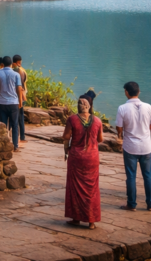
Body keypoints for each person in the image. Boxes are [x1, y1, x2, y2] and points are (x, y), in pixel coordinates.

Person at [63, 90, 103, 229]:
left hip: (76, 157)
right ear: (89, 106)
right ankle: (91, 221)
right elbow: (100, 139)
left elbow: (66, 137)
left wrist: (66, 150)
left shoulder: (72, 119)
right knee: (92, 189)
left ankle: (76, 218)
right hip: (92, 157)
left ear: (78, 106)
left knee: (75, 188)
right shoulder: (97, 120)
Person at [116, 81, 151, 211]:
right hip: (146, 147)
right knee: (148, 176)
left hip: (130, 147)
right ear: (138, 92)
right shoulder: (148, 107)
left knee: (131, 176)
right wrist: (144, 129)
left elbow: (119, 128)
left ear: (126, 92)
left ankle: (131, 204)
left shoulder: (122, 108)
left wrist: (124, 131)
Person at [0, 55, 23, 149]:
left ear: (2, 64)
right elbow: (19, 88)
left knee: (3, 125)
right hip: (13, 102)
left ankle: (4, 146)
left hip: (1, 103)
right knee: (14, 125)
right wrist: (20, 101)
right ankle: (15, 145)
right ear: (11, 64)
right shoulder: (16, 74)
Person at [12, 54, 28, 143]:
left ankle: (19, 136)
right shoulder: (20, 70)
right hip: (20, 96)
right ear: (18, 62)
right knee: (20, 116)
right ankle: (21, 136)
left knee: (18, 117)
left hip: (16, 96)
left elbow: (19, 85)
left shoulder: (15, 70)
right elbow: (21, 86)